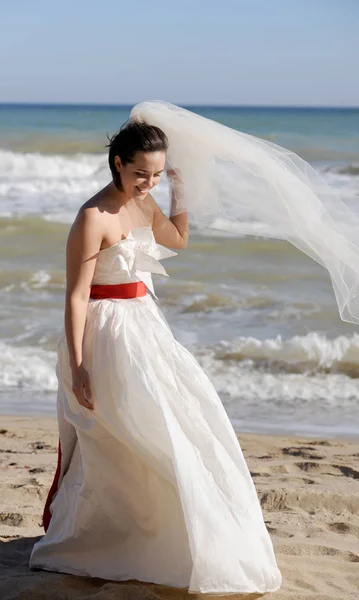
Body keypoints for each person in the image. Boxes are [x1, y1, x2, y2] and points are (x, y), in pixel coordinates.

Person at [29, 119, 283, 595]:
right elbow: (76, 297)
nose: (148, 183)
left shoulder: (144, 204)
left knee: (171, 425)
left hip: (144, 326)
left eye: (158, 174)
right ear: (118, 163)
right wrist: (80, 366)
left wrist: (178, 191)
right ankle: (105, 539)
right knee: (113, 435)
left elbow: (179, 241)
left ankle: (168, 538)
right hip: (103, 335)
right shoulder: (93, 217)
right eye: (141, 173)